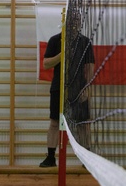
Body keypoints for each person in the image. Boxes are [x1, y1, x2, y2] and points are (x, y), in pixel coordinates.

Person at [40, 26, 94, 167]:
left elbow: (90, 68)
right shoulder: (55, 40)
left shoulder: (85, 42)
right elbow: (46, 64)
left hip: (78, 89)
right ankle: (51, 157)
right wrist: (63, 53)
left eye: (76, 21)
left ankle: (87, 158)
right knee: (55, 123)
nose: (74, 24)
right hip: (59, 87)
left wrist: (87, 88)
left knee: (83, 124)